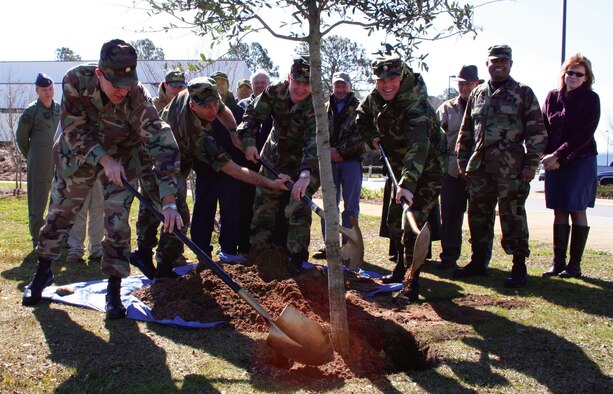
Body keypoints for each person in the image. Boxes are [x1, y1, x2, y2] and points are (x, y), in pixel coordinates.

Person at [21, 39, 183, 320]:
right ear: (100, 75)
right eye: (115, 85)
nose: (122, 90)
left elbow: (160, 141)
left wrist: (169, 201)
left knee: (117, 223)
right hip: (80, 156)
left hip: (122, 158)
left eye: (127, 83)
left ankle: (114, 289)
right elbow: (73, 128)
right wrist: (103, 160)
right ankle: (43, 271)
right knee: (60, 214)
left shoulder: (137, 96)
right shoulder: (76, 80)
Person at [157, 77, 289, 271]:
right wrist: (269, 183)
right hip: (160, 157)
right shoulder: (194, 133)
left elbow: (222, 110)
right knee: (174, 211)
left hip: (181, 153)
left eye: (214, 104)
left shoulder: (203, 91)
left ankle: (169, 259)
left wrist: (233, 132)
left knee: (179, 212)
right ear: (193, 106)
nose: (212, 111)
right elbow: (233, 169)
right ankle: (163, 266)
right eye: (206, 108)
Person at [455, 45, 548, 288]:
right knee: (478, 216)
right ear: (487, 63)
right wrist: (463, 161)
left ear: (510, 64)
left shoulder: (523, 93)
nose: (499, 65)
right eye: (494, 60)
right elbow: (466, 132)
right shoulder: (477, 94)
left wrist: (531, 165)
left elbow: (537, 132)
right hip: (480, 168)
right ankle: (478, 261)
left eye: (503, 61)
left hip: (512, 169)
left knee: (513, 216)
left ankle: (519, 266)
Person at [355, 55, 447, 301]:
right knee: (395, 221)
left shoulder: (417, 106)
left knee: (413, 222)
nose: (386, 84)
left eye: (393, 78)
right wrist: (371, 136)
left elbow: (418, 148)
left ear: (403, 76)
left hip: (427, 168)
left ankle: (412, 280)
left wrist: (407, 185)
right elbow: (361, 116)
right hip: (398, 166)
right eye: (381, 79)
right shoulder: (376, 98)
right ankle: (399, 268)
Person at [238, 55, 318, 273]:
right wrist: (249, 143)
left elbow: (314, 141)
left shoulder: (318, 104)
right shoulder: (273, 92)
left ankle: (296, 260)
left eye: (306, 84)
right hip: (274, 158)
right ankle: (258, 256)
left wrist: (304, 176)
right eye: (297, 82)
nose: (301, 89)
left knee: (298, 206)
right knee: (264, 206)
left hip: (305, 162)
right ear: (288, 77)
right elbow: (251, 116)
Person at [541, 54, 600, 279]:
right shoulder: (552, 97)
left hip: (580, 160)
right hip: (554, 162)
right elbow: (545, 127)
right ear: (563, 74)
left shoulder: (591, 99)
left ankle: (574, 266)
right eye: (570, 72)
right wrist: (547, 156)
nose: (573, 77)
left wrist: (558, 155)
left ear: (586, 78)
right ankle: (558, 263)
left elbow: (585, 134)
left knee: (577, 209)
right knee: (559, 210)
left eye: (579, 74)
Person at [131, 69, 188, 273]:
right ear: (165, 86)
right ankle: (165, 262)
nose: (178, 89)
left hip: (168, 167)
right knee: (176, 212)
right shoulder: (152, 107)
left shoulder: (183, 107)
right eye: (174, 86)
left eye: (182, 86)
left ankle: (143, 253)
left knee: (149, 210)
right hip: (150, 165)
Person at [191, 71, 247, 263]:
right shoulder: (195, 111)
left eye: (223, 83)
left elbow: (239, 136)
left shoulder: (236, 110)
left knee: (231, 211)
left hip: (230, 170)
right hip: (205, 170)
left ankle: (229, 249)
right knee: (203, 211)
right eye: (217, 83)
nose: (221, 87)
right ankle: (202, 252)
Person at [436, 65, 484, 270]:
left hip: (480, 169)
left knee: (479, 215)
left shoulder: (485, 105)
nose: (464, 88)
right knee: (450, 213)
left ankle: (479, 259)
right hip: (452, 168)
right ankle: (449, 255)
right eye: (461, 84)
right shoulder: (447, 108)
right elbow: (437, 137)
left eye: (468, 84)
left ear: (477, 84)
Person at [313, 72, 364, 259]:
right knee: (329, 205)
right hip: (329, 162)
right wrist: (329, 151)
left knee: (351, 207)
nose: (340, 89)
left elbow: (361, 136)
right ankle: (330, 246)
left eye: (344, 86)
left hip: (351, 162)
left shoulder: (360, 108)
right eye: (337, 86)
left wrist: (339, 151)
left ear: (350, 87)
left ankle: (349, 248)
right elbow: (318, 132)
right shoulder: (323, 108)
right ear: (332, 87)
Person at [15, 73, 61, 248]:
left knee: (59, 199)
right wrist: (32, 156)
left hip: (58, 160)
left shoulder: (59, 109)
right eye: (44, 90)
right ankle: (37, 237)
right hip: (40, 160)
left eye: (50, 89)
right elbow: (21, 138)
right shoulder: (31, 112)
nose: (48, 93)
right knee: (38, 200)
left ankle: (57, 235)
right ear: (37, 90)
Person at [236, 70, 273, 255]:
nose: (260, 85)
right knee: (245, 206)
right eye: (256, 83)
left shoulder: (275, 106)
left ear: (269, 84)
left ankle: (268, 247)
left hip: (271, 163)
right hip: (247, 163)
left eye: (263, 82)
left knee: (268, 207)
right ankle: (244, 246)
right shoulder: (242, 106)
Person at [65, 178, 104, 263]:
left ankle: (97, 248)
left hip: (100, 170)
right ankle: (75, 249)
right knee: (78, 209)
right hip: (80, 171)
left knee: (98, 209)